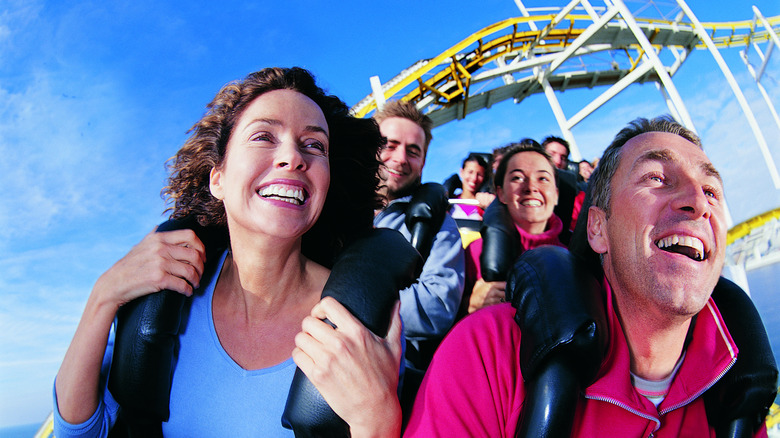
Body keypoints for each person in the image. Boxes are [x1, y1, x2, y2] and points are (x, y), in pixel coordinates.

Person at [53, 67, 404, 438]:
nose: (292, 156)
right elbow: (82, 433)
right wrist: (103, 297)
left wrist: (378, 420)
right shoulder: (162, 298)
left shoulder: (361, 327)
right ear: (216, 179)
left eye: (315, 145)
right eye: (264, 136)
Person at [404, 116, 767, 437]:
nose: (698, 202)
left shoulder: (736, 383)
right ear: (596, 228)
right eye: (656, 178)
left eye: (711, 190)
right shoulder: (489, 353)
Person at [372, 100, 465, 372]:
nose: (400, 158)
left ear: (423, 161)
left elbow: (436, 306)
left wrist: (350, 298)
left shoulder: (440, 224)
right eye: (390, 145)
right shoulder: (331, 204)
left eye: (412, 151)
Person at [460, 144, 566, 316]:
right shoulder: (474, 252)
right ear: (501, 193)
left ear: (556, 194)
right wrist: (469, 305)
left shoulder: (574, 261)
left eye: (542, 178)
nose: (531, 187)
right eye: (517, 177)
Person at [449, 153, 491, 220]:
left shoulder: (487, 205)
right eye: (470, 172)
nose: (474, 178)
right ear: (461, 172)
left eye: (479, 174)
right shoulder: (449, 203)